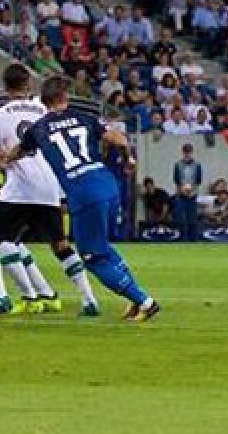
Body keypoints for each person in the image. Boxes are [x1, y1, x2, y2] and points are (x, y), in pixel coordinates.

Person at [10, 75, 160, 322]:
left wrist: (7, 159)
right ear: (64, 97)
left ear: (43, 100)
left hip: (83, 193)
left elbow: (20, 149)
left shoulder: (37, 128)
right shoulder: (85, 118)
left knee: (91, 257)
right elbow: (118, 138)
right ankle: (135, 301)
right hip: (108, 184)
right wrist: (129, 158)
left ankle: (145, 301)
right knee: (103, 248)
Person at [0, 63, 100, 318]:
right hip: (50, 188)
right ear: (29, 86)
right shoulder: (45, 110)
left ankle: (0, 296)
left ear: (5, 87)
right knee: (60, 245)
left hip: (18, 190)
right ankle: (89, 299)